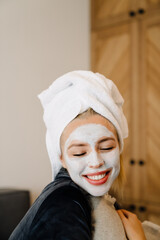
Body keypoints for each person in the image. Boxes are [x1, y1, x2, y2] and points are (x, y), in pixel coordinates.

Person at [9, 71, 146, 240]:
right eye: (79, 152)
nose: (95, 162)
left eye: (106, 147)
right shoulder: (64, 203)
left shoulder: (94, 196)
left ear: (119, 147)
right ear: (62, 159)